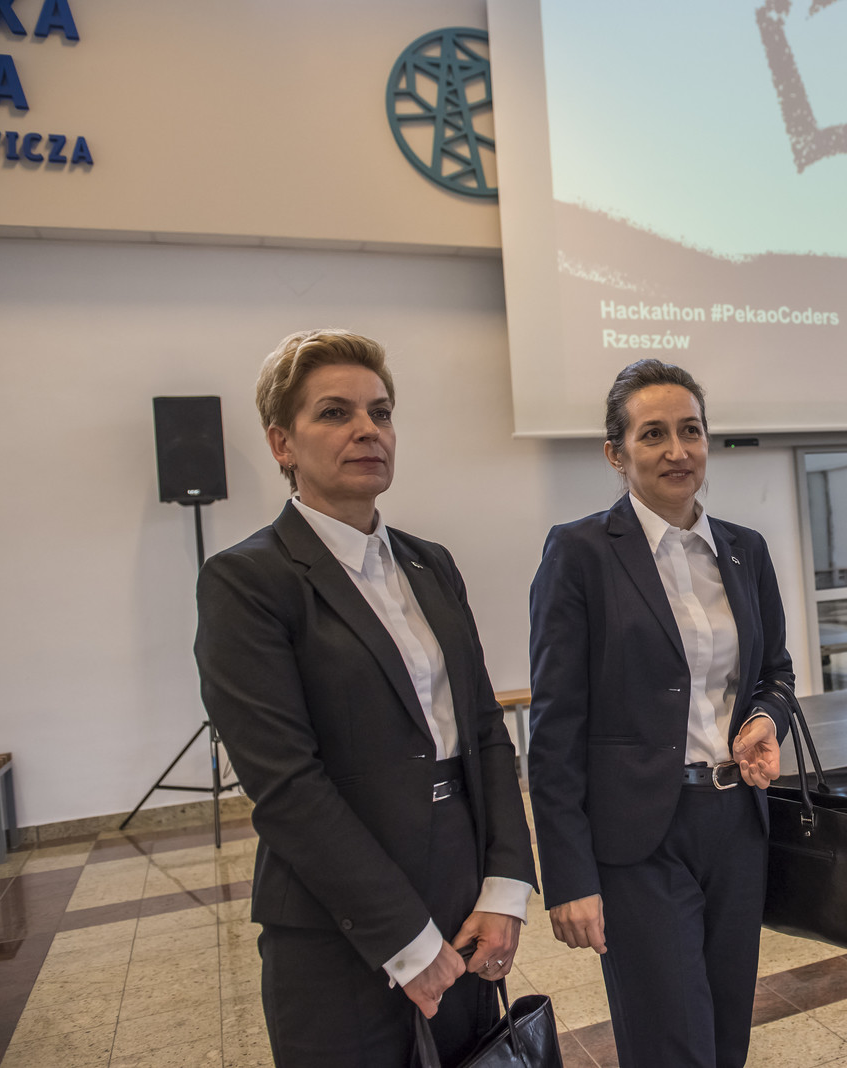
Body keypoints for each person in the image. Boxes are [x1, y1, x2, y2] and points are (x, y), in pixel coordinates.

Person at [195, 330, 536, 1067]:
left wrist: (505, 888)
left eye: (380, 413)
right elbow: (287, 786)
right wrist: (406, 940)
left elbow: (484, 729)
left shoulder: (430, 564)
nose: (367, 430)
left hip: (465, 911)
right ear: (282, 442)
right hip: (340, 929)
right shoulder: (248, 581)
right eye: (334, 413)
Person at [528, 359, 796, 1068]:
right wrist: (569, 876)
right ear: (616, 453)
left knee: (727, 1035)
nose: (677, 450)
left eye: (691, 431)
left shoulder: (745, 550)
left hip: (736, 824)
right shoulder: (580, 552)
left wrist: (765, 721)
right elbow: (554, 727)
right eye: (653, 434)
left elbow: (776, 673)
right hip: (638, 837)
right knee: (670, 1043)